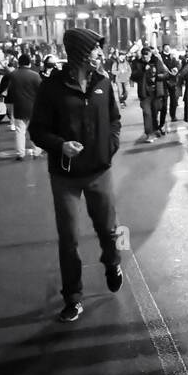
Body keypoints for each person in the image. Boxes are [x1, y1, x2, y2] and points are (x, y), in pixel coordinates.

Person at [28, 27, 124, 323]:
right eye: (95, 49)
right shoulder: (52, 86)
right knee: (68, 237)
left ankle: (113, 263)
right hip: (65, 176)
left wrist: (109, 147)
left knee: (108, 230)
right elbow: (37, 130)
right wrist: (60, 146)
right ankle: (72, 297)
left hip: (99, 170)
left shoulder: (103, 81)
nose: (100, 53)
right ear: (81, 52)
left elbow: (115, 120)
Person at [4, 54, 43, 160]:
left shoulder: (14, 75)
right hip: (33, 108)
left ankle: (20, 154)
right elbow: (41, 91)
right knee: (35, 131)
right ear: (29, 63)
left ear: (19, 63)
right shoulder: (35, 75)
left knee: (20, 131)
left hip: (19, 107)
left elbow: (10, 91)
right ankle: (37, 152)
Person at [132, 46, 168, 142]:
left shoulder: (156, 61)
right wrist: (143, 69)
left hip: (156, 92)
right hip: (144, 93)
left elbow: (164, 73)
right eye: (144, 57)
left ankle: (156, 129)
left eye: (147, 56)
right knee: (147, 113)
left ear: (150, 55)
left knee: (154, 113)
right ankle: (149, 134)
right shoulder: (137, 63)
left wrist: (158, 77)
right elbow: (133, 77)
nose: (146, 59)